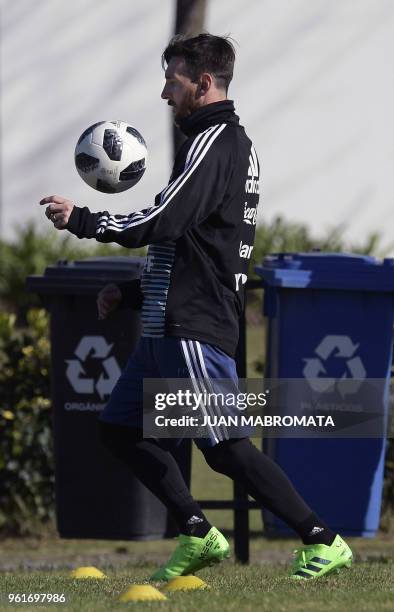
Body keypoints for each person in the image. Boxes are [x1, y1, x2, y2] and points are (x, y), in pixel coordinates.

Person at [40, 33, 352, 581]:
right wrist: (135, 292)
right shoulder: (212, 143)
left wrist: (87, 221)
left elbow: (164, 222)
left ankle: (321, 539)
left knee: (226, 447)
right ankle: (196, 530)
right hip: (168, 321)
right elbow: (196, 241)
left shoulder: (220, 141)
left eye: (173, 81)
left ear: (203, 83)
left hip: (193, 324)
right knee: (118, 430)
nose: (165, 93)